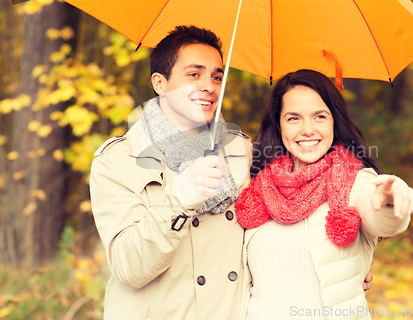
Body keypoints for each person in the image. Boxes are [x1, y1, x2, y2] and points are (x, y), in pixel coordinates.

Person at [90, 26, 372, 320]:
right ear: (160, 83)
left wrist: (340, 271)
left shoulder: (242, 150)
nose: (209, 86)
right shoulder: (119, 161)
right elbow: (129, 268)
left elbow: (286, 219)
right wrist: (179, 199)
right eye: (194, 74)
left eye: (216, 76)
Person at [235, 69, 413, 320]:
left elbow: (380, 219)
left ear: (335, 121)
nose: (307, 129)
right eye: (293, 118)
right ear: (278, 124)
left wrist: (389, 199)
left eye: (319, 116)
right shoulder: (257, 185)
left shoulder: (356, 180)